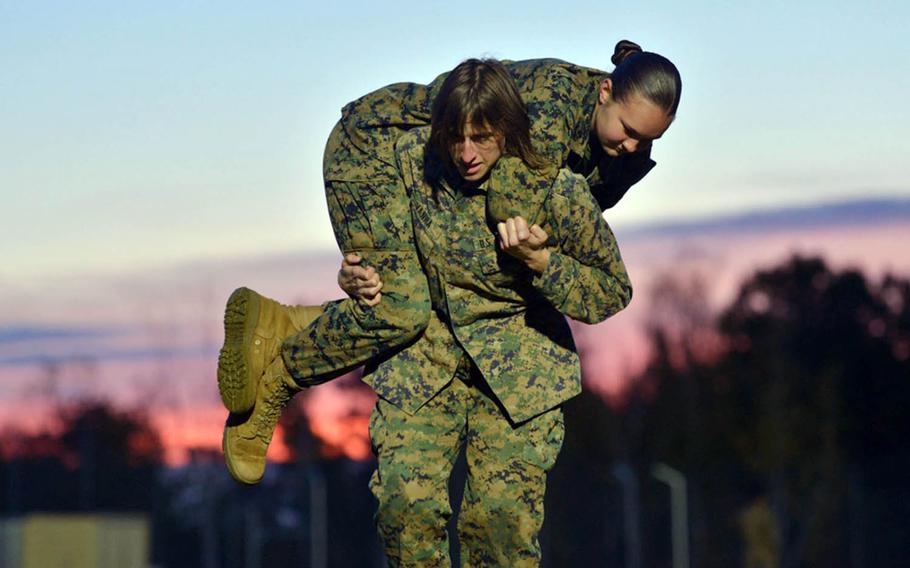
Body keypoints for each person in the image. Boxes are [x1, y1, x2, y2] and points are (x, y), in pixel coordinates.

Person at [219, 41, 681, 485]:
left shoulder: (618, 144)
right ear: (604, 92)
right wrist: (545, 247)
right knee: (398, 305)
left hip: (433, 166)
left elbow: (579, 210)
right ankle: (280, 377)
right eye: (628, 130)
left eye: (648, 140)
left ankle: (285, 322)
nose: (633, 147)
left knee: (414, 294)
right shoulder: (552, 105)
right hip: (374, 152)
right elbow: (510, 207)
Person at [367, 59, 633, 565]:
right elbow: (381, 253)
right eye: (455, 137)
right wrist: (358, 277)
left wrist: (543, 262)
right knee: (405, 511)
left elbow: (611, 290)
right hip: (425, 361)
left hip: (519, 371)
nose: (467, 154)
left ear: (508, 132)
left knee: (500, 527)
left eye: (483, 138)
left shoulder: (556, 189)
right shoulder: (407, 165)